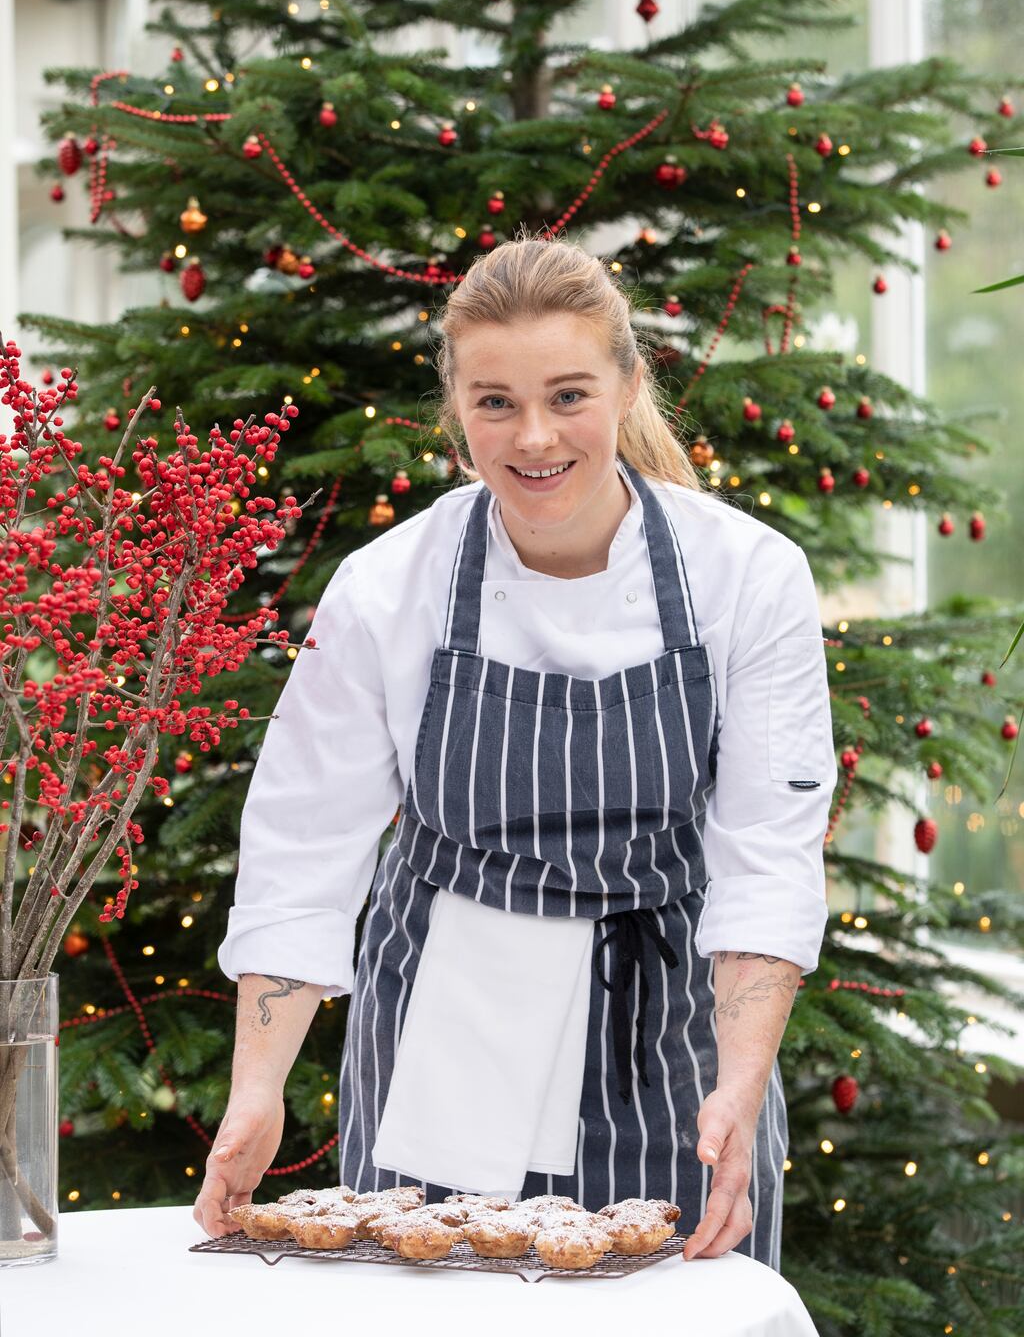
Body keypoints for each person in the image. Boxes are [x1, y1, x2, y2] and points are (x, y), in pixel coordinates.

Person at [195, 232, 837, 1270]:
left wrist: (740, 1082)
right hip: (448, 1020)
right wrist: (257, 1089)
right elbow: (302, 848)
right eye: (495, 402)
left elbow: (767, 851)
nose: (533, 436)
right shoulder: (387, 586)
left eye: (569, 395)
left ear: (628, 387)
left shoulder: (747, 577)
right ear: (456, 411)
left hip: (668, 1030)